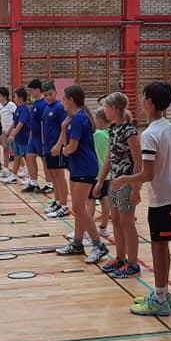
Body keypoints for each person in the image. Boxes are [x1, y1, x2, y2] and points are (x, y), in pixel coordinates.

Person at [112, 81, 171, 316]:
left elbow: (148, 174)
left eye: (143, 97)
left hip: (162, 199)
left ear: (150, 102)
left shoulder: (151, 134)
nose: (141, 100)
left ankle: (160, 299)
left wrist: (125, 180)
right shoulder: (169, 128)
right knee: (162, 248)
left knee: (158, 249)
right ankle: (162, 293)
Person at [55, 84, 109, 264]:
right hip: (77, 166)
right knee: (78, 207)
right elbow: (68, 144)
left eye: (64, 98)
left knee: (79, 208)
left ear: (71, 100)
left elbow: (72, 147)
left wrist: (62, 151)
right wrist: (63, 128)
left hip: (85, 166)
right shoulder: (74, 118)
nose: (62, 101)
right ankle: (77, 244)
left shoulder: (79, 118)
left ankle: (98, 245)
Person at [98, 92, 142, 279]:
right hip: (114, 181)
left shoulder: (130, 132)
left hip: (127, 181)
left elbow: (139, 161)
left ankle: (133, 264)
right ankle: (120, 258)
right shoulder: (113, 128)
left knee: (127, 223)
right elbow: (110, 157)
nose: (104, 110)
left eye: (106, 107)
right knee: (115, 220)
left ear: (115, 108)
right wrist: (101, 181)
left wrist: (135, 188)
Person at [42, 81, 70, 218]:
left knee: (59, 176)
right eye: (46, 95)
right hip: (48, 147)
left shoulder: (59, 108)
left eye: (50, 94)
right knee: (53, 176)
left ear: (56, 93)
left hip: (57, 148)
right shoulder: (46, 108)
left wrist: (59, 145)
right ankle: (58, 202)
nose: (48, 97)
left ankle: (64, 206)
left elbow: (64, 129)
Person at [24, 79, 53, 194]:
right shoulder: (36, 103)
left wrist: (44, 140)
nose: (30, 93)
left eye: (31, 90)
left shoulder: (43, 104)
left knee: (45, 160)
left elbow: (43, 123)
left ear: (37, 89)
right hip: (34, 137)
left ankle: (49, 184)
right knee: (29, 157)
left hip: (41, 138)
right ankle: (34, 183)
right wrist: (31, 137)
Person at [90, 108, 112, 237]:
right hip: (107, 174)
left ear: (99, 120)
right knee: (104, 200)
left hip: (95, 173)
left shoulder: (96, 135)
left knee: (90, 200)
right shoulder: (111, 134)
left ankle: (87, 228)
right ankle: (103, 227)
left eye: (94, 118)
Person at [6, 88, 31, 186]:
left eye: (15, 96)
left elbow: (21, 123)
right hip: (18, 138)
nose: (13, 98)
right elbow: (15, 122)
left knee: (27, 157)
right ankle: (13, 176)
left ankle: (31, 177)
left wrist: (12, 135)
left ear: (20, 98)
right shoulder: (18, 109)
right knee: (17, 156)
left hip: (24, 137)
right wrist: (9, 132)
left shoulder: (24, 109)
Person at [0, 87, 17, 183]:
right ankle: (6, 169)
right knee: (5, 149)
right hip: (4, 131)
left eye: (0, 96)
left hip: (12, 131)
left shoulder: (12, 105)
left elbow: (16, 118)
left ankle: (23, 168)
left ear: (5, 96)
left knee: (16, 151)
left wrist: (13, 131)